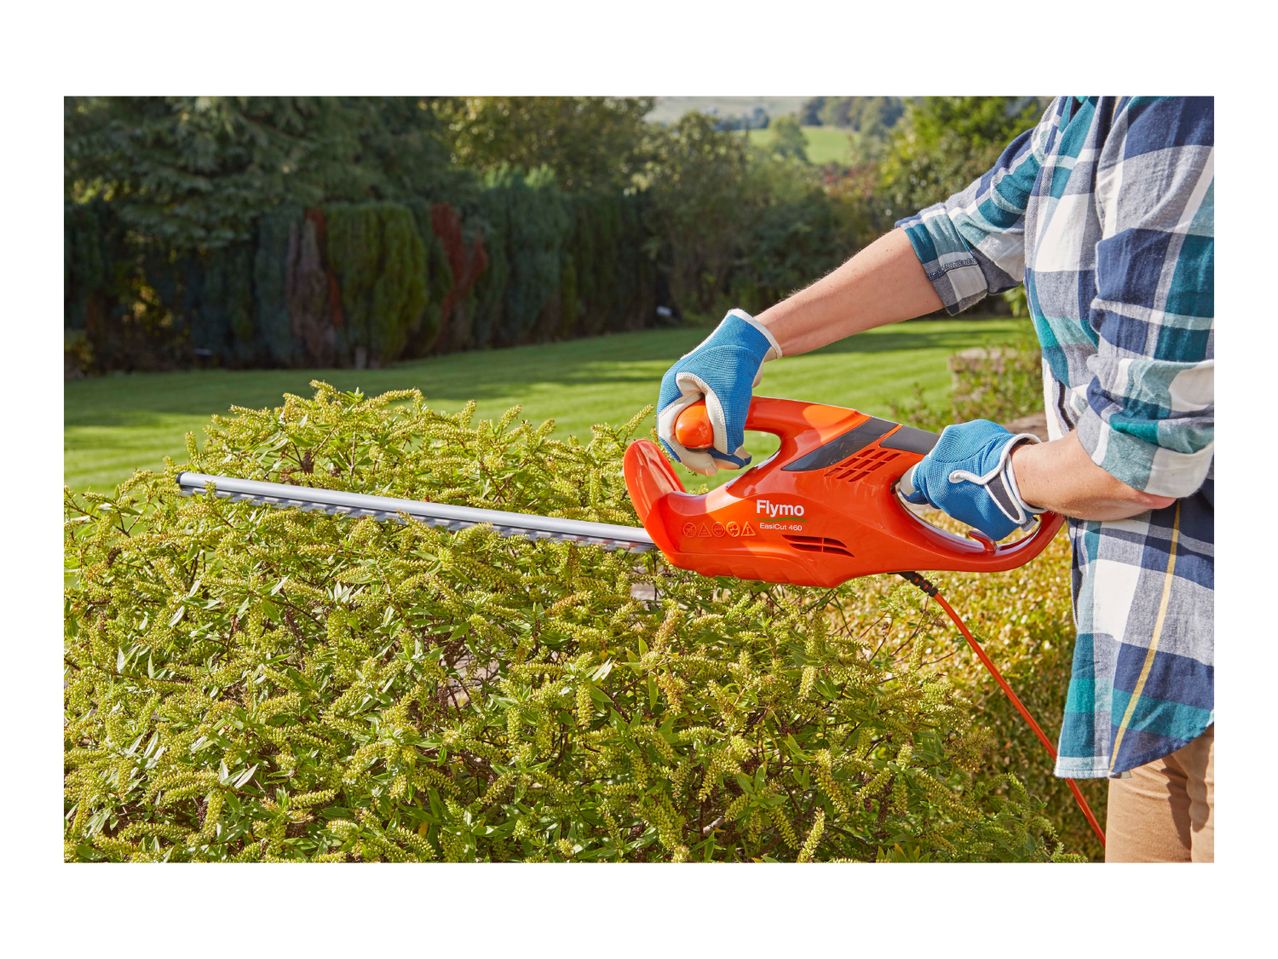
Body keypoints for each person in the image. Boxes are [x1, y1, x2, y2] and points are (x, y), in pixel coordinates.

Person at [656, 97, 1214, 863]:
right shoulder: (1086, 108)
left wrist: (1007, 472)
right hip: (1153, 668)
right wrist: (759, 334)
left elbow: (1139, 459)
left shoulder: (1181, 108)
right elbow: (958, 238)